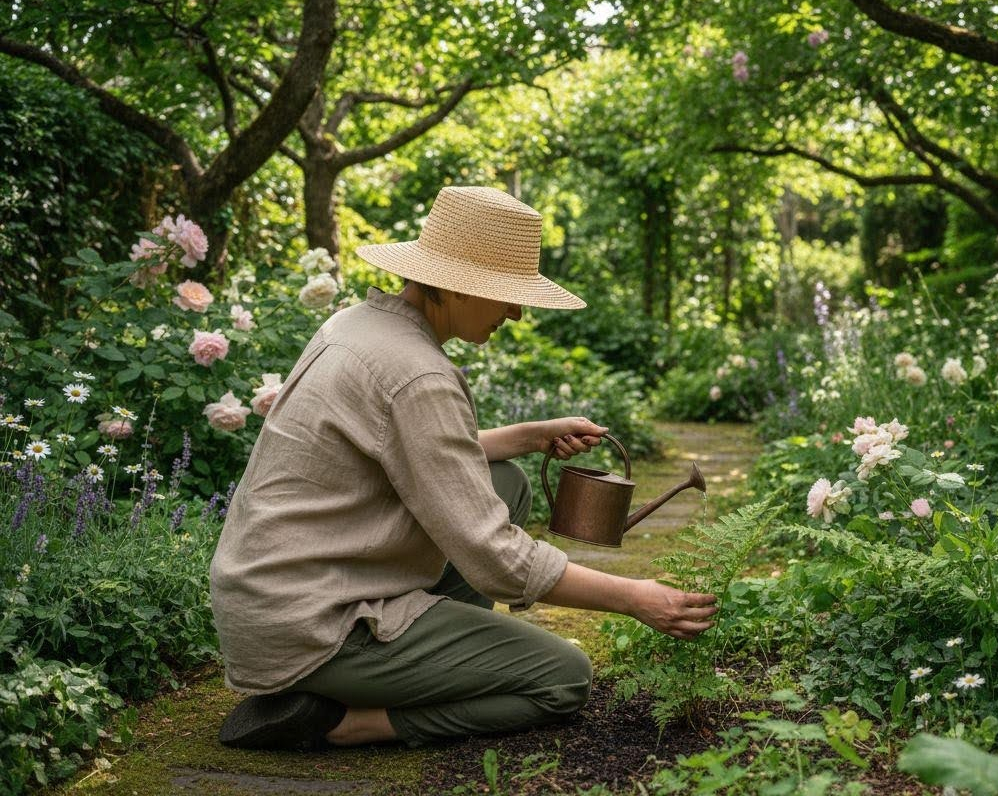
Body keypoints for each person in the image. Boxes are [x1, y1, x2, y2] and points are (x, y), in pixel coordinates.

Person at [211, 185, 717, 751]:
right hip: (313, 628)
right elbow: (495, 558)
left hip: (271, 597)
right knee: (563, 678)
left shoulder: (357, 325)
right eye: (505, 295)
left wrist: (531, 435)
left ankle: (423, 658)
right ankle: (349, 721)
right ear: (452, 287)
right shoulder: (419, 374)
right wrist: (636, 598)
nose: (516, 312)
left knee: (506, 482)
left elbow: (417, 453)